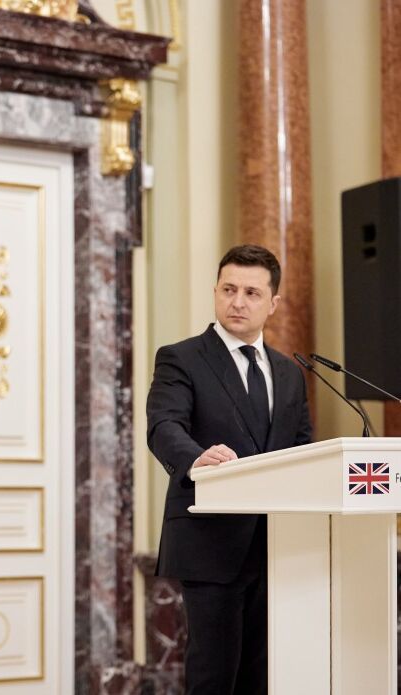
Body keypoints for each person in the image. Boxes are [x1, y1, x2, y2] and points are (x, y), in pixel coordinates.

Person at [146, 244, 312, 694]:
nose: (238, 302)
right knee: (214, 677)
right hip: (211, 542)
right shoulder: (182, 357)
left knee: (261, 678)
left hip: (277, 545)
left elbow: (302, 447)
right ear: (216, 291)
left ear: (273, 303)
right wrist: (195, 457)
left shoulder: (289, 373)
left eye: (252, 293)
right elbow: (164, 426)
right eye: (228, 289)